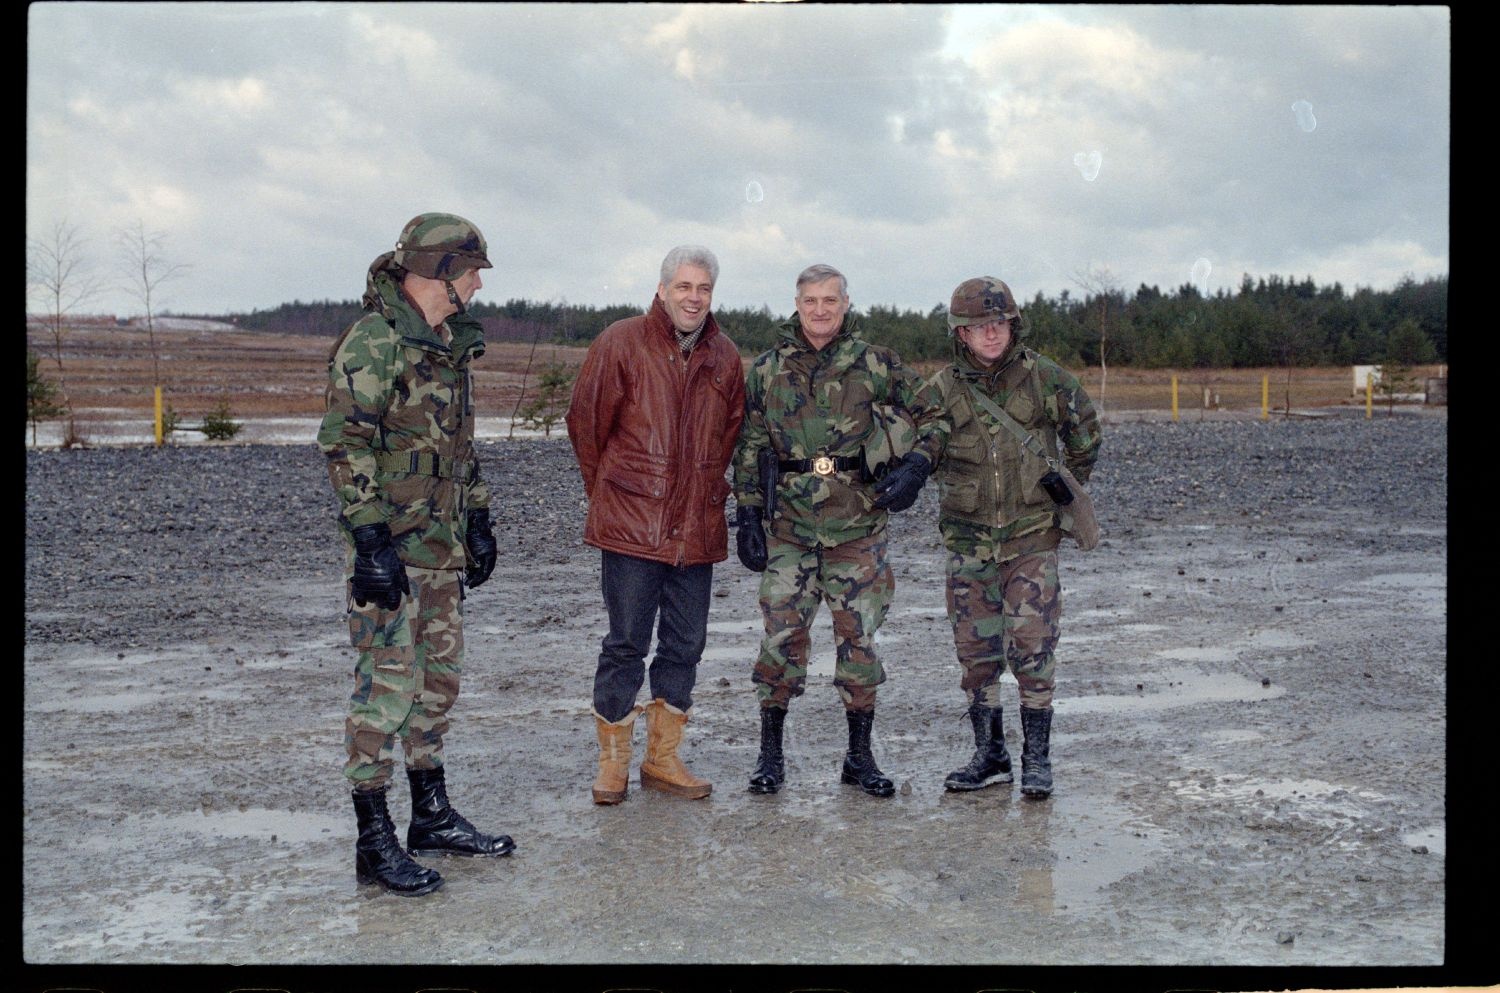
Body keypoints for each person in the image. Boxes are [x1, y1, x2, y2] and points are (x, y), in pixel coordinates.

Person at [318, 212, 514, 897]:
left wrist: (480, 514)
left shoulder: (446, 342)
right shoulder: (373, 342)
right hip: (392, 550)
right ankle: (374, 838)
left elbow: (458, 446)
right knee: (386, 687)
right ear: (440, 272)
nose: (480, 284)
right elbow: (345, 443)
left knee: (438, 680)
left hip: (442, 547)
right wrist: (370, 539)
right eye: (473, 271)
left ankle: (429, 813)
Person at [732, 264, 948, 797]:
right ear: (797, 304)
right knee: (781, 637)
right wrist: (747, 515)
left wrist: (917, 466)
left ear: (846, 303)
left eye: (831, 300)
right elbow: (750, 443)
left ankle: (859, 758)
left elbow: (936, 416)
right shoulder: (766, 369)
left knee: (859, 640)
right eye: (811, 301)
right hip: (789, 528)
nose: (821, 310)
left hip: (858, 524)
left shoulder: (877, 364)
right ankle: (770, 756)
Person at [564, 246, 745, 805]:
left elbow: (731, 433)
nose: (694, 298)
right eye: (684, 287)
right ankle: (612, 764)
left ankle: (663, 759)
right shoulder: (621, 342)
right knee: (624, 644)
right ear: (663, 289)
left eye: (704, 289)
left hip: (698, 529)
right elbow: (586, 424)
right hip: (632, 529)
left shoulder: (725, 357)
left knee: (684, 646)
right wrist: (616, 493)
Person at [928, 276, 1101, 799]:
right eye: (978, 326)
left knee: (1033, 648)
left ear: (1013, 323)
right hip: (969, 540)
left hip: (1030, 538)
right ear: (960, 332)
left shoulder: (1046, 378)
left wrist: (1059, 485)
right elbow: (920, 443)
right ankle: (990, 754)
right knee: (976, 653)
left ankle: (1037, 759)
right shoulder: (939, 389)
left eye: (998, 323)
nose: (990, 334)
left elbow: (1085, 435)